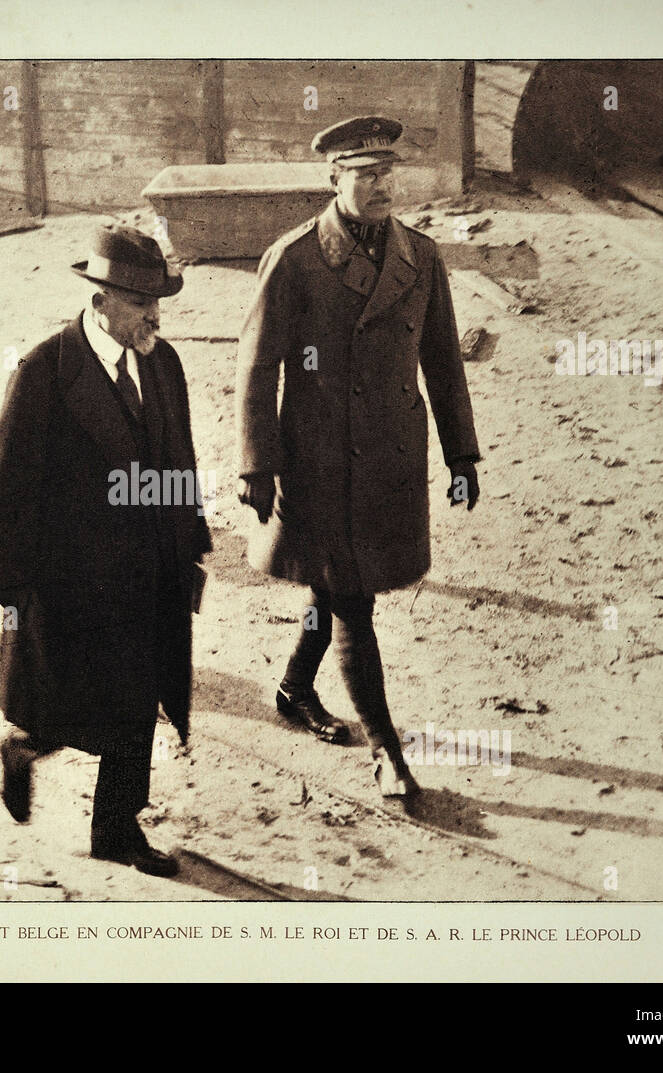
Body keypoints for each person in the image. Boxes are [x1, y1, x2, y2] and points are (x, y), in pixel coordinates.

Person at [235, 116, 482, 796]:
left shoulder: (422, 256)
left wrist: (462, 455)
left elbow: (442, 361)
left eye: (388, 172)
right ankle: (388, 753)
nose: (382, 186)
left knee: (338, 585)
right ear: (333, 179)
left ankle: (292, 688)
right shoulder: (296, 258)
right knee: (353, 601)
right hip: (321, 460)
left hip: (392, 460)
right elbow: (257, 369)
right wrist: (256, 464)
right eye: (366, 174)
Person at [0, 225, 210, 877]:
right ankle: (23, 749)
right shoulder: (45, 370)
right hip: (71, 579)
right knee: (71, 697)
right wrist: (13, 587)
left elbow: (179, 458)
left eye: (158, 300)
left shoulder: (163, 364)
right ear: (104, 299)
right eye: (143, 302)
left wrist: (190, 534)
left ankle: (117, 828)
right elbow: (7, 479)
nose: (155, 315)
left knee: (139, 701)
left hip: (150, 568)